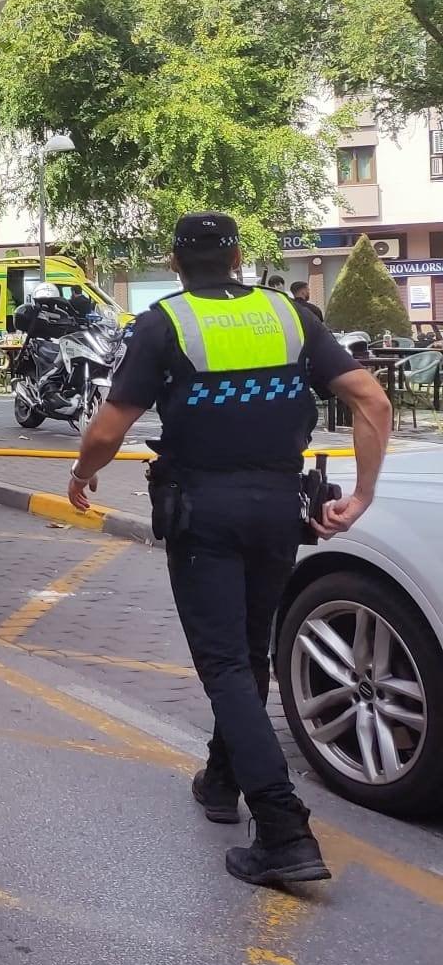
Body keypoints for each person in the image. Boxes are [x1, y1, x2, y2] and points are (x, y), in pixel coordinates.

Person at [69, 211, 391, 889]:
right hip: (280, 507)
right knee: (249, 653)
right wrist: (360, 495)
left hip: (203, 509)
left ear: (176, 261)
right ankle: (222, 781)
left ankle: (282, 827)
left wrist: (80, 472)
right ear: (239, 256)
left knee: (223, 664)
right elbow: (372, 400)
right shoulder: (289, 315)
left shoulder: (165, 323)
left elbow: (108, 428)